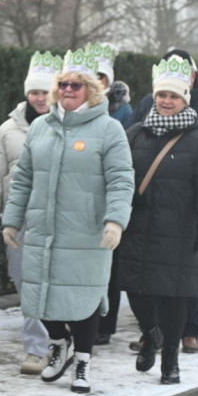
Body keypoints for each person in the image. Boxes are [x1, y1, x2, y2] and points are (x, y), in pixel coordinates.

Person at [1, 48, 134, 394]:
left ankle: (83, 361)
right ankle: (58, 344)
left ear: (92, 90)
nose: (69, 90)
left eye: (77, 84)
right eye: (64, 84)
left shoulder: (110, 130)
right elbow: (24, 178)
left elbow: (121, 179)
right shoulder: (42, 127)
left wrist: (115, 221)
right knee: (38, 293)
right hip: (43, 229)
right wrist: (12, 221)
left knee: (84, 298)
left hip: (87, 232)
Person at [116, 56, 198, 385]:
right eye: (162, 95)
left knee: (173, 297)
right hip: (137, 227)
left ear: (185, 100)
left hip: (180, 231)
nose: (166, 101)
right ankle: (151, 334)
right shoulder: (135, 133)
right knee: (136, 291)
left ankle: (170, 360)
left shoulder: (197, 138)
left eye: (174, 96)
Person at [0, 52, 58, 375]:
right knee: (27, 285)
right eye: (34, 91)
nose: (39, 97)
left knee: (58, 284)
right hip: (20, 221)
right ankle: (37, 348)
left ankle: (64, 340)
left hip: (59, 221)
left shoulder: (70, 125)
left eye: (45, 91)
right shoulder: (8, 130)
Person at [88, 43, 129, 345]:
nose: (96, 83)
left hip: (107, 199)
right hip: (83, 199)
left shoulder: (122, 114)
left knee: (109, 265)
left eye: (101, 77)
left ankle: (105, 324)